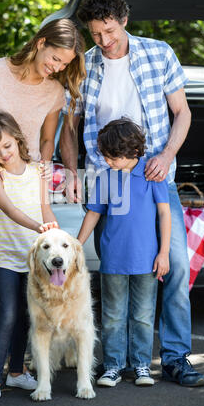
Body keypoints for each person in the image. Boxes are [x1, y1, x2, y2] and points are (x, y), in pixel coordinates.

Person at [60, 0, 204, 386]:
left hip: (155, 177)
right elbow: (68, 127)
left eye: (109, 31)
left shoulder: (158, 53)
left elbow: (183, 112)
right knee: (117, 270)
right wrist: (73, 173)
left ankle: (175, 359)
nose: (104, 41)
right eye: (95, 34)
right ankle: (117, 361)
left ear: (123, 20)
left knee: (173, 264)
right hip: (107, 182)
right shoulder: (83, 66)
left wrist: (167, 155)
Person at [0, 18, 86, 386]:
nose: (57, 67)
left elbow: (46, 141)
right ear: (40, 42)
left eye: (64, 64)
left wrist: (42, 170)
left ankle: (16, 365)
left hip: (26, 197)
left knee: (26, 278)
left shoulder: (54, 92)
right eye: (55, 57)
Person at [77, 118, 171, 387]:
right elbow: (94, 213)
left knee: (142, 315)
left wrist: (163, 253)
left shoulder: (153, 174)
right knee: (112, 316)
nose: (106, 161)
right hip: (113, 260)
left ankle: (141, 365)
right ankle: (113, 366)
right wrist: (76, 244)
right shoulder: (105, 178)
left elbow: (165, 214)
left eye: (110, 156)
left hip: (147, 260)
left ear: (131, 152)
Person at [0, 112, 59, 405]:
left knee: (26, 314)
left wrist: (55, 236)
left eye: (7, 147)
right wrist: (38, 227)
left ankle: (17, 372)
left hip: (35, 258)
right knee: (8, 313)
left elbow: (45, 210)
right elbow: (10, 210)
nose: (3, 154)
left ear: (18, 140)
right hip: (7, 256)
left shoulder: (38, 171)